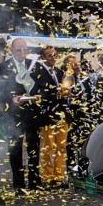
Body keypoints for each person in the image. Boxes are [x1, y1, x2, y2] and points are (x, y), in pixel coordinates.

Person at [0, 37, 41, 193]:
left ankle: (35, 182)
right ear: (12, 50)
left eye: (25, 49)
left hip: (31, 113)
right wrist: (11, 98)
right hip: (13, 114)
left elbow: (41, 86)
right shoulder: (3, 67)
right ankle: (18, 184)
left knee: (34, 147)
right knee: (15, 149)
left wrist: (38, 96)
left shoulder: (34, 66)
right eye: (19, 50)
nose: (23, 53)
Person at [30, 46, 69, 186]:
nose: (53, 58)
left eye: (55, 55)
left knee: (61, 147)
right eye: (50, 56)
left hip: (62, 113)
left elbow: (65, 88)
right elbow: (38, 91)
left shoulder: (59, 72)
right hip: (48, 114)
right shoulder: (38, 72)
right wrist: (54, 92)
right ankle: (47, 176)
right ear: (43, 58)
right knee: (48, 147)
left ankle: (59, 176)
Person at [63, 54, 96, 169]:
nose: (76, 67)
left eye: (77, 64)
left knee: (85, 143)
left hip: (86, 117)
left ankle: (84, 166)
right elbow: (66, 96)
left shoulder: (83, 78)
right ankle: (71, 169)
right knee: (72, 144)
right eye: (73, 65)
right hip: (73, 117)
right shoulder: (66, 79)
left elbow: (90, 94)